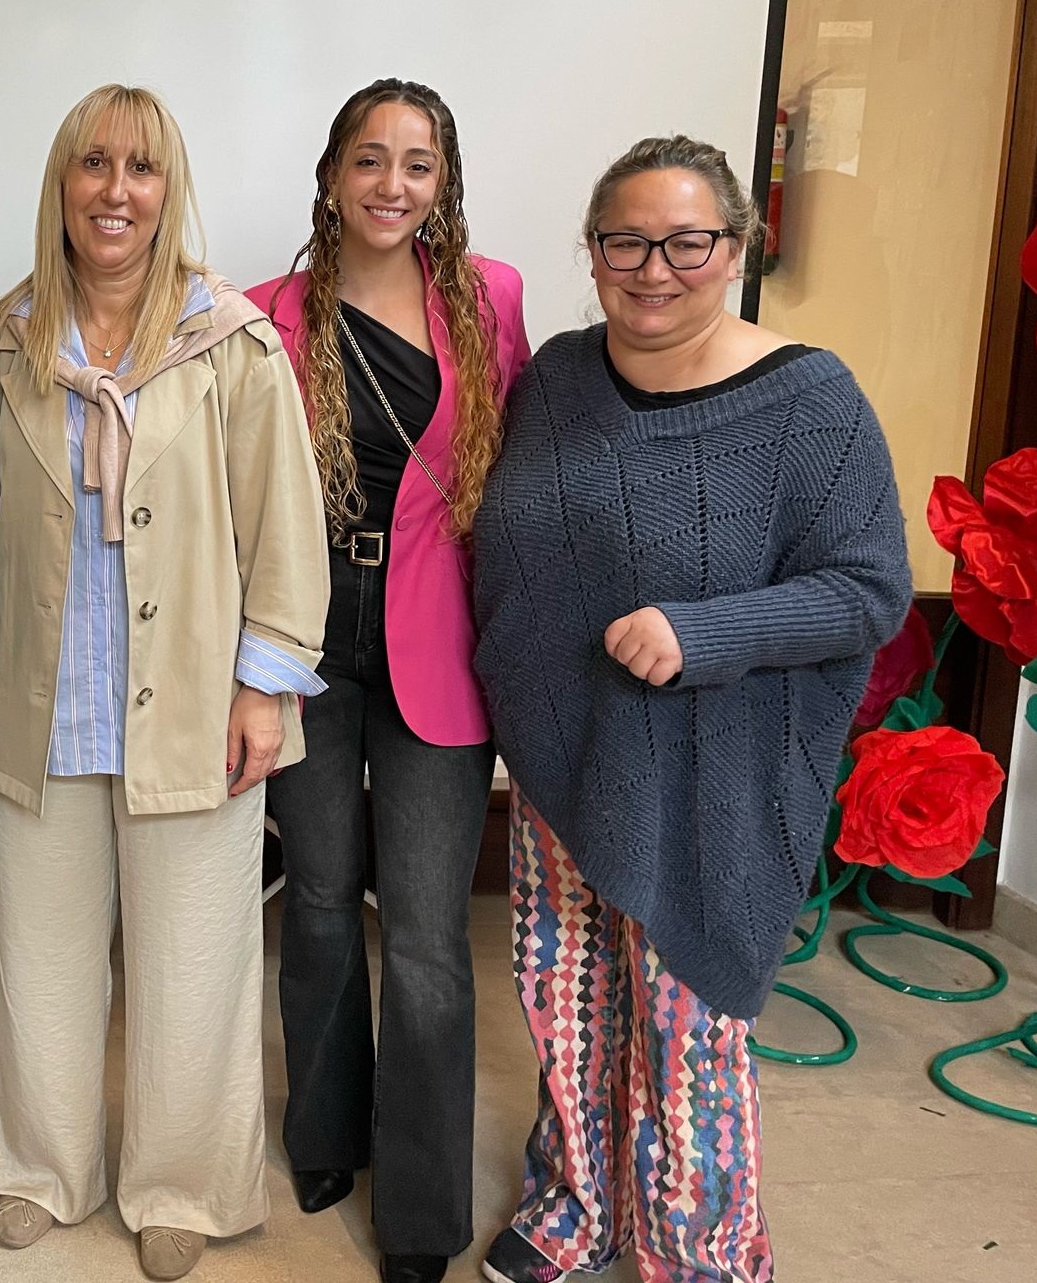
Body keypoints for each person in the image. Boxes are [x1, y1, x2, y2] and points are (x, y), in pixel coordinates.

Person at [469, 135, 912, 1283]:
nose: (652, 269)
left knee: (686, 1031)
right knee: (562, 1000)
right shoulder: (558, 378)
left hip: (711, 777)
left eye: (685, 243)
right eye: (624, 242)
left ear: (734, 248)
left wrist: (696, 632)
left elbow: (866, 589)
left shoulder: (808, 400)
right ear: (591, 251)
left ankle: (701, 1253)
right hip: (567, 758)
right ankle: (575, 1211)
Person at [0, 83, 328, 1282]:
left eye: (140, 167)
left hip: (192, 705)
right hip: (44, 698)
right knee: (35, 954)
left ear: (168, 191)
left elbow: (284, 525)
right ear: (61, 184)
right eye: (92, 164)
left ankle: (182, 1184)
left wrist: (263, 686)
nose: (114, 191)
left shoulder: (232, 341)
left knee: (193, 961)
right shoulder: (3, 343)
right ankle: (37, 1165)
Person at [247, 79, 530, 1283]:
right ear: (330, 174)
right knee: (316, 899)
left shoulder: (488, 298)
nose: (391, 185)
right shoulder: (264, 315)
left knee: (420, 932)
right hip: (303, 642)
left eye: (417, 164)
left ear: (442, 182)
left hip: (434, 643)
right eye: (368, 159)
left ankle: (418, 1206)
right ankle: (322, 1135)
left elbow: (516, 480)